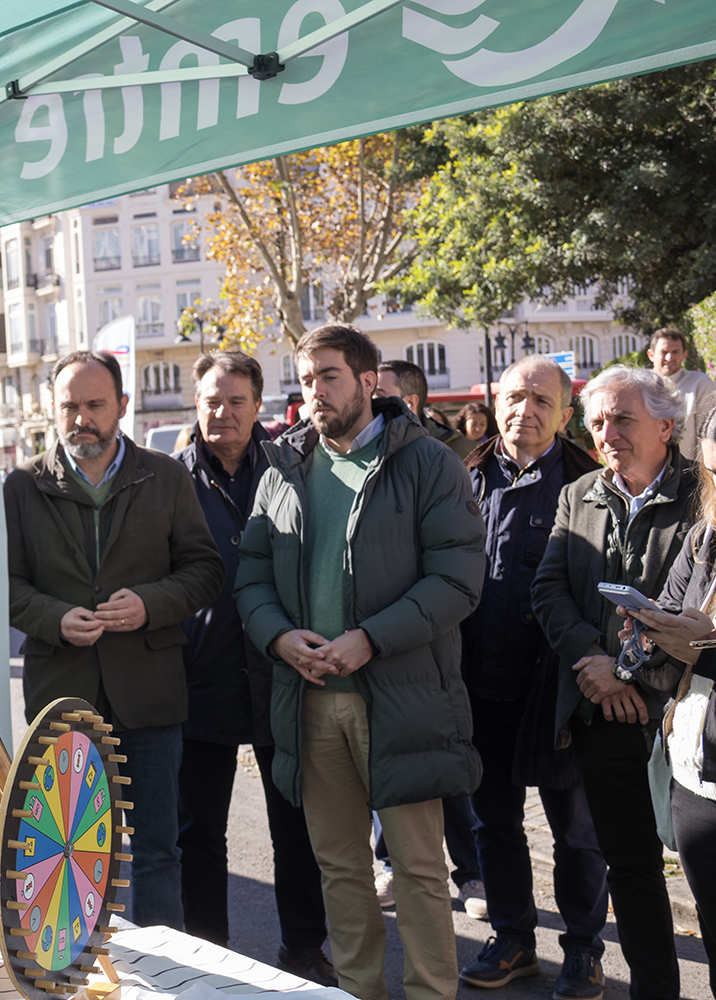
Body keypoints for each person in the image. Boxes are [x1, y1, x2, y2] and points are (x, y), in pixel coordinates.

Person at [236, 324, 485, 1000]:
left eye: (330, 376)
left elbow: (459, 579)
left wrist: (369, 638)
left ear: (369, 381)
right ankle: (358, 991)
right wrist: (280, 638)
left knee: (418, 868)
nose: (315, 390)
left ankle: (433, 992)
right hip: (310, 697)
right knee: (340, 867)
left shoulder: (430, 463)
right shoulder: (284, 466)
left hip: (400, 695)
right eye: (307, 378)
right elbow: (251, 576)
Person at [4, 349, 223, 931]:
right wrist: (54, 617)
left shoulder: (166, 475)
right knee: (64, 855)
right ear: (52, 411)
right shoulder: (23, 486)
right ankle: (72, 973)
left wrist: (150, 603)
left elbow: (205, 570)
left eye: (95, 405)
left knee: (156, 853)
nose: (83, 418)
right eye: (70, 406)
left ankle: (167, 979)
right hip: (61, 695)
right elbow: (3, 585)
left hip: (149, 694)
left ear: (123, 406)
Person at [532, 364, 697, 1000]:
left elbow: (693, 606)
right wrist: (596, 668)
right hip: (603, 711)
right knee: (630, 867)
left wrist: (626, 672)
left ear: (665, 424)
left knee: (704, 870)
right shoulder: (579, 494)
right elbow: (548, 588)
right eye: (597, 421)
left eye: (622, 418)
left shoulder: (702, 496)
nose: (607, 433)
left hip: (677, 712)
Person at [172, 352, 333, 985]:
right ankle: (209, 953)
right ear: (196, 404)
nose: (223, 413)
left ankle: (303, 948)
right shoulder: (169, 480)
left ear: (258, 406)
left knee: (294, 827)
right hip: (199, 677)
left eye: (236, 401)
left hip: (282, 677)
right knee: (199, 833)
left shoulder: (294, 470)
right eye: (212, 400)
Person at [456, 357, 609, 1000]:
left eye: (543, 401)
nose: (527, 410)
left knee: (577, 831)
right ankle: (514, 939)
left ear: (566, 415)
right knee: (494, 823)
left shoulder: (589, 481)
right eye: (516, 396)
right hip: (477, 682)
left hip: (558, 689)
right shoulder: (460, 474)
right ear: (495, 400)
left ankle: (583, 952)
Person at [373, 359, 486, 918]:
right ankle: (393, 866)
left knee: (444, 769)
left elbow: (452, 568)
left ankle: (470, 874)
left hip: (435, 643)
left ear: (410, 402)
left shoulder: (447, 460)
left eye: (383, 393)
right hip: (380, 654)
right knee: (393, 775)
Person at [619, 400, 716, 997]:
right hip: (695, 771)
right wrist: (644, 632)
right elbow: (668, 609)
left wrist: (701, 650)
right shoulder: (706, 529)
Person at [377, 359, 475, 459]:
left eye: (378, 396)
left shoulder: (463, 450)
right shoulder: (369, 447)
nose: (371, 403)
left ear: (410, 403)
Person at [646, 327, 715, 460]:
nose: (669, 357)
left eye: (675, 352)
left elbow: (708, 435)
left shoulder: (701, 383)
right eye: (664, 352)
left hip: (688, 474)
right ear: (651, 355)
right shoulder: (638, 386)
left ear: (685, 354)